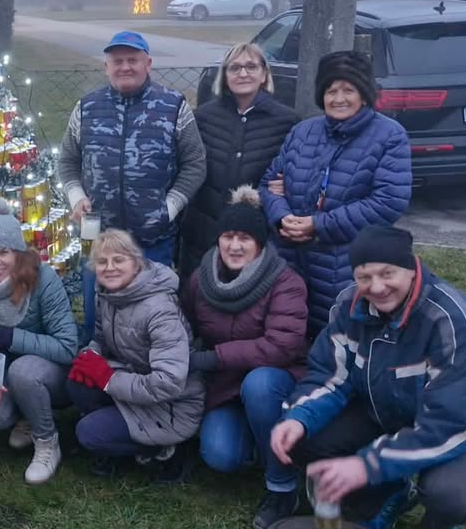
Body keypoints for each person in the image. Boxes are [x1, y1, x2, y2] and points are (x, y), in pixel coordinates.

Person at [270, 226, 466, 529]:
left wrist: (367, 465)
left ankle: (441, 525)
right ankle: (388, 494)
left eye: (387, 273)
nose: (376, 287)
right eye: (364, 277)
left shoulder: (454, 321)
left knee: (449, 494)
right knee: (305, 437)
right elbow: (329, 376)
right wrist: (298, 417)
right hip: (384, 409)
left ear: (411, 267)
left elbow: (451, 423)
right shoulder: (348, 307)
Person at [57, 31, 206, 346]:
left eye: (132, 60)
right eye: (117, 61)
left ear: (148, 63)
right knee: (97, 319)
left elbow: (195, 163)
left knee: (151, 321)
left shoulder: (174, 107)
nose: (125, 67)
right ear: (106, 66)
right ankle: (95, 369)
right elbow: (67, 160)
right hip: (98, 239)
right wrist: (77, 197)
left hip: (152, 238)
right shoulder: (86, 107)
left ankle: (151, 371)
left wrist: (168, 209)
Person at [181, 186, 309, 529]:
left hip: (276, 381)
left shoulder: (285, 282)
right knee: (220, 456)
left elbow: (282, 346)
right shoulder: (201, 279)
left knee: (259, 384)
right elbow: (185, 323)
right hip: (226, 387)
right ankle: (260, 443)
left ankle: (282, 487)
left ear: (260, 244)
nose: (234, 246)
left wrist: (213, 358)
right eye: (228, 236)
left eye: (245, 239)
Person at [260, 50, 412, 336]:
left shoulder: (389, 136)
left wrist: (317, 225)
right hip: (290, 258)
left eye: (348, 90)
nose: (338, 98)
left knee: (337, 339)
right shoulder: (303, 132)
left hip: (344, 265)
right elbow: (268, 183)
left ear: (364, 95)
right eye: (331, 91)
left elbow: (388, 202)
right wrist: (282, 217)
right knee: (288, 333)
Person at [67, 229, 205, 482]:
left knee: (88, 433)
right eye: (102, 262)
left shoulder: (159, 310)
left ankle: (164, 448)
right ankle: (121, 436)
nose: (110, 268)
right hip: (135, 379)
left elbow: (169, 382)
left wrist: (108, 380)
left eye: (118, 260)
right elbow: (100, 339)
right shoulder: (107, 294)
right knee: (77, 382)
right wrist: (90, 355)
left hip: (173, 406)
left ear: (136, 262)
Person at [0, 198, 78, 485]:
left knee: (23, 371)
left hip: (49, 372)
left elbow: (67, 347)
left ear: (17, 252)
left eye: (4, 252)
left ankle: (47, 441)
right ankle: (27, 414)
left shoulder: (44, 279)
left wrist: (8, 336)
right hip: (5, 377)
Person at [178, 43, 299, 279]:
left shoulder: (287, 122)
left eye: (251, 67)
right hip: (203, 232)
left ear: (264, 74)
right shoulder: (202, 117)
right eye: (234, 68)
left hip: (256, 235)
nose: (243, 73)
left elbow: (293, 171)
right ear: (225, 75)